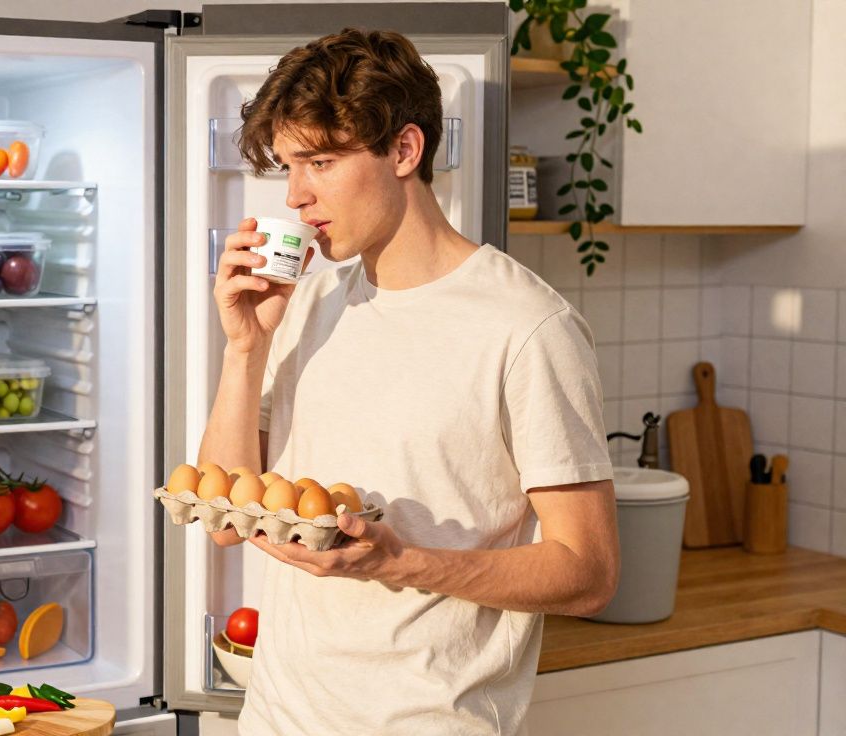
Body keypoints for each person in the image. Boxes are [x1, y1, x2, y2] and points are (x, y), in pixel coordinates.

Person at [196, 28, 620, 735]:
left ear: (404, 150)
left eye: (321, 162)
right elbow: (223, 519)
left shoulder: (527, 327)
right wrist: (244, 348)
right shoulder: (310, 303)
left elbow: (590, 572)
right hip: (277, 717)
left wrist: (402, 563)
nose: (297, 195)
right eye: (289, 167)